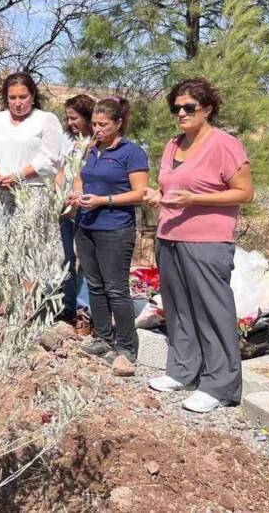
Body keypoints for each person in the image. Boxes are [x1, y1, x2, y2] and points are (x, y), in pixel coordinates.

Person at [144, 78, 254, 413]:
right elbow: (173, 192)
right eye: (176, 107)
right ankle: (182, 370)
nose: (181, 113)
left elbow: (245, 193)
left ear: (206, 109)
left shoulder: (224, 145)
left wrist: (196, 198)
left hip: (207, 241)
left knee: (211, 311)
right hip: (169, 236)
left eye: (189, 107)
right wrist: (158, 198)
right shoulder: (172, 145)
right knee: (177, 309)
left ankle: (219, 385)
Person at [69, 98, 149, 368]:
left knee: (116, 288)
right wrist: (77, 193)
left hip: (115, 227)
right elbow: (81, 177)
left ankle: (126, 346)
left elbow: (139, 193)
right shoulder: (91, 149)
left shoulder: (131, 152)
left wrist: (105, 201)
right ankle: (103, 336)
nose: (97, 129)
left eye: (103, 124)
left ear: (118, 123)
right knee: (95, 284)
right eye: (94, 124)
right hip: (86, 225)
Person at [0, 72, 63, 228]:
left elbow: (49, 158)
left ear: (33, 96)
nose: (17, 103)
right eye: (12, 98)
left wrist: (18, 177)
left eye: (23, 97)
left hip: (32, 194)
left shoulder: (46, 119)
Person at [57, 94, 95, 322]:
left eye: (75, 118)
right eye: (68, 118)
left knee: (86, 257)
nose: (71, 122)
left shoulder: (96, 141)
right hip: (65, 204)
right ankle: (67, 304)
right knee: (66, 256)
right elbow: (59, 169)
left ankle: (84, 309)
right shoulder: (66, 140)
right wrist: (60, 195)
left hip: (88, 204)